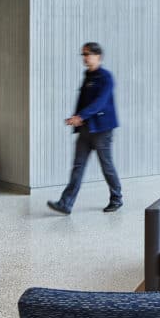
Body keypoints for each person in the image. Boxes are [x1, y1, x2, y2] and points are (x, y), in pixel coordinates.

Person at [48, 42, 122, 215]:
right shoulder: (88, 75)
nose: (85, 58)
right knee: (78, 166)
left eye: (87, 54)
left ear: (98, 56)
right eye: (83, 54)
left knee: (106, 166)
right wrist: (76, 118)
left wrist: (80, 116)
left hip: (102, 130)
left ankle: (116, 198)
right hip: (85, 129)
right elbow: (83, 102)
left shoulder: (106, 77)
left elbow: (100, 102)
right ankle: (65, 204)